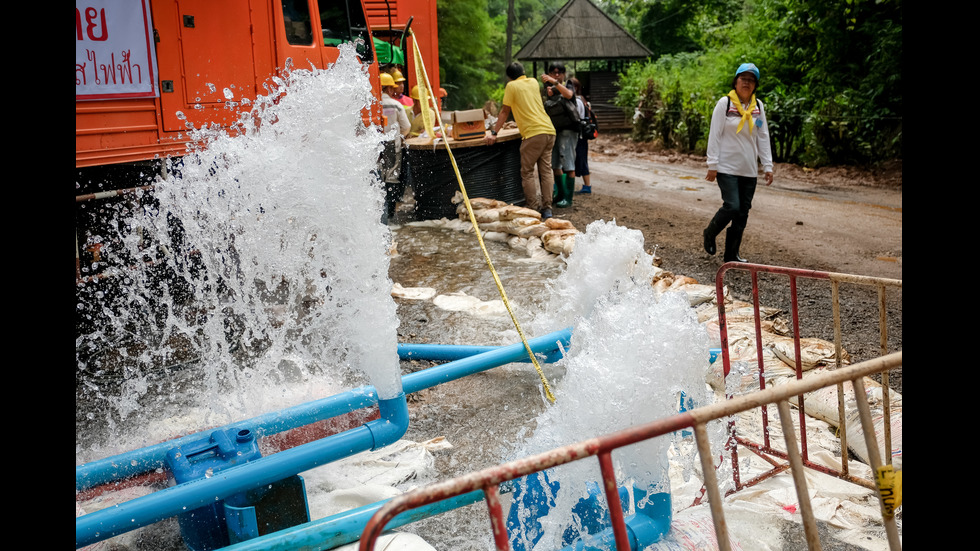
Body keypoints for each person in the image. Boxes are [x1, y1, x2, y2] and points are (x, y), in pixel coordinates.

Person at [703, 62, 774, 263]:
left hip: (749, 170)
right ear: (736, 81)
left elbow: (762, 136)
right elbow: (714, 135)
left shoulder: (758, 107)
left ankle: (731, 255)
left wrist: (767, 166)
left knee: (742, 213)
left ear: (755, 85)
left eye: (751, 80)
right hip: (726, 167)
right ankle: (710, 232)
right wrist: (712, 164)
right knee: (732, 206)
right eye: (743, 78)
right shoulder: (724, 104)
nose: (747, 83)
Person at [486, 62, 557, 219]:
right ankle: (547, 209)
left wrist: (493, 133)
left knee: (527, 172)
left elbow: (505, 111)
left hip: (533, 134)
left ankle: (532, 207)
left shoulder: (511, 86)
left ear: (509, 77)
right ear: (523, 72)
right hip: (549, 130)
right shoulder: (533, 81)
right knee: (545, 171)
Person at [541, 63, 579, 208]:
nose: (557, 74)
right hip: (555, 131)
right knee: (555, 164)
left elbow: (569, 95)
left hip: (568, 131)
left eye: (560, 72)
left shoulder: (567, 86)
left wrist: (555, 84)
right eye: (553, 72)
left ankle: (568, 198)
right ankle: (560, 194)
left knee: (568, 164)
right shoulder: (550, 90)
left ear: (563, 74)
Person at [380, 72, 410, 221]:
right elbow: (406, 126)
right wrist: (401, 136)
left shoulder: (373, 104)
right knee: (392, 176)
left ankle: (380, 213)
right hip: (393, 145)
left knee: (379, 176)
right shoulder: (396, 105)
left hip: (378, 144)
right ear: (390, 89)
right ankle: (390, 213)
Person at [569, 77, 592, 194]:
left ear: (575, 88)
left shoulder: (577, 101)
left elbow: (575, 117)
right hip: (582, 135)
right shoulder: (582, 100)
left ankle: (587, 186)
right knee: (581, 159)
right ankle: (586, 186)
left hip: (579, 135)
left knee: (580, 160)